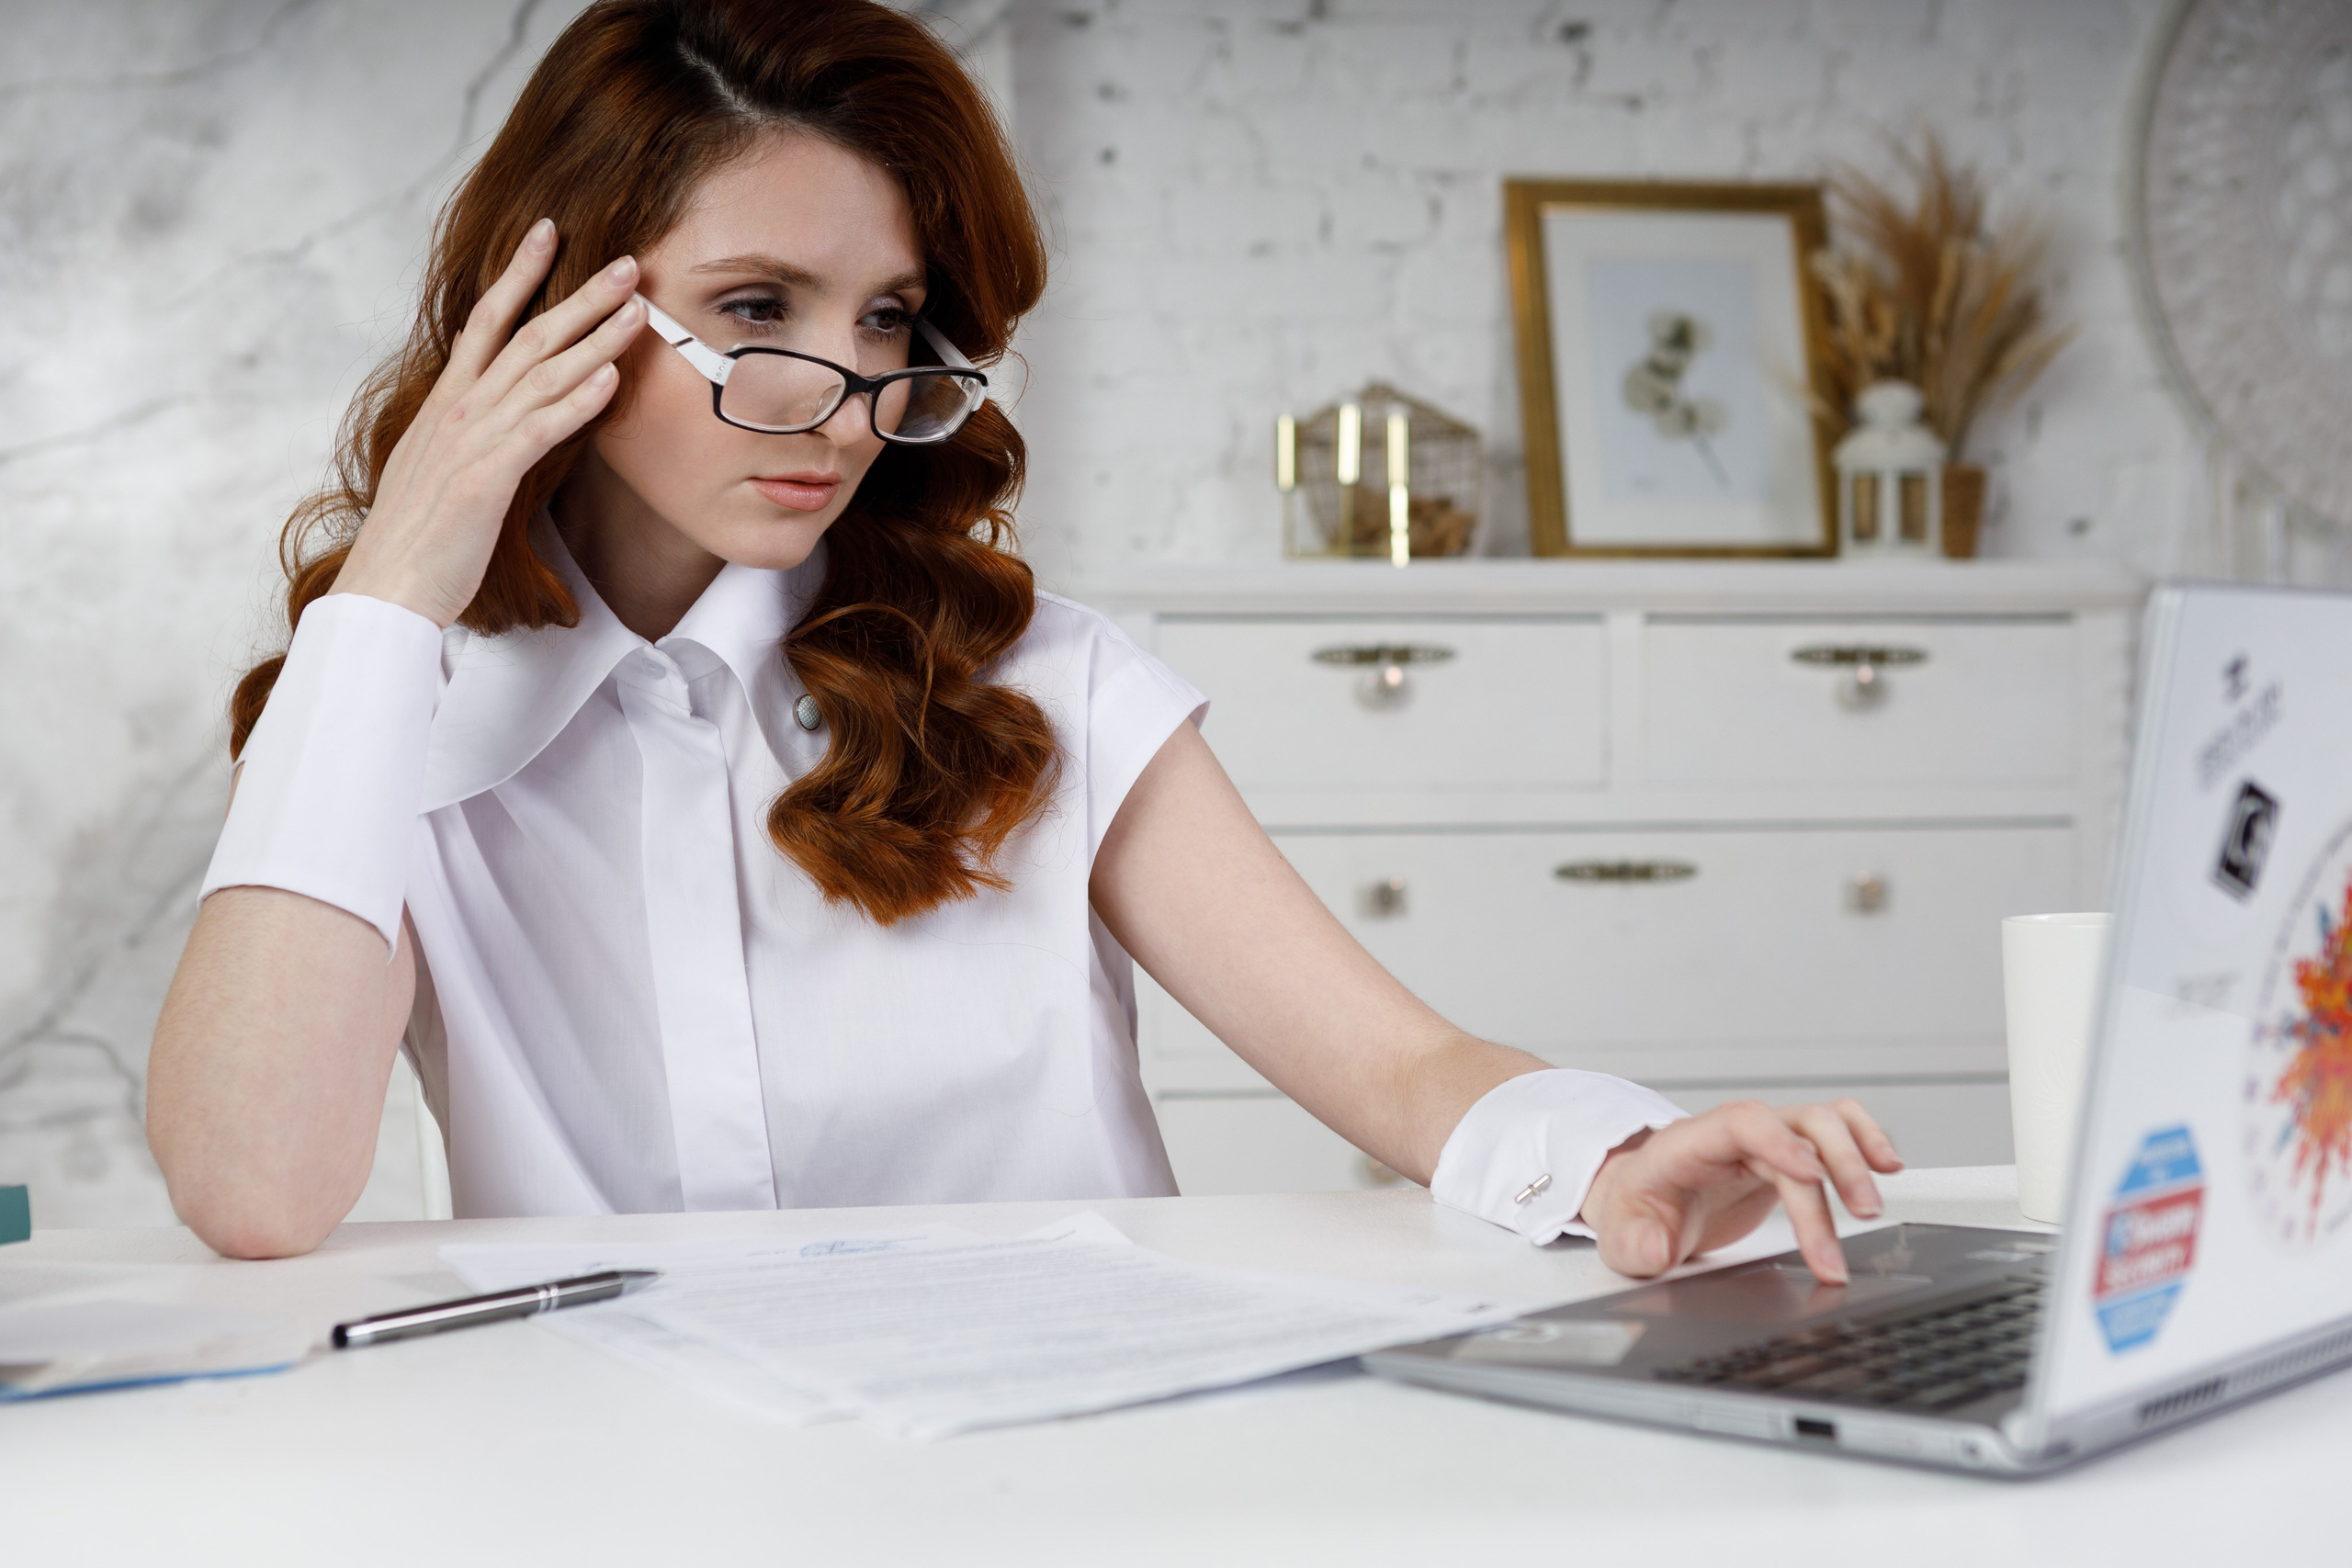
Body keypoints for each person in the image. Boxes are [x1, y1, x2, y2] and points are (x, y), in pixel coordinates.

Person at [147, 0, 1902, 1281]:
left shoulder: (1042, 687)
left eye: (890, 322)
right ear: (553, 313)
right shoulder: (396, 729)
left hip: (1077, 1480)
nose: (839, 403)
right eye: (759, 309)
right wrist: (392, 592)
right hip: (626, 1493)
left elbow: (1398, 1066)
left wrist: (1616, 1154)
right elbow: (253, 1188)